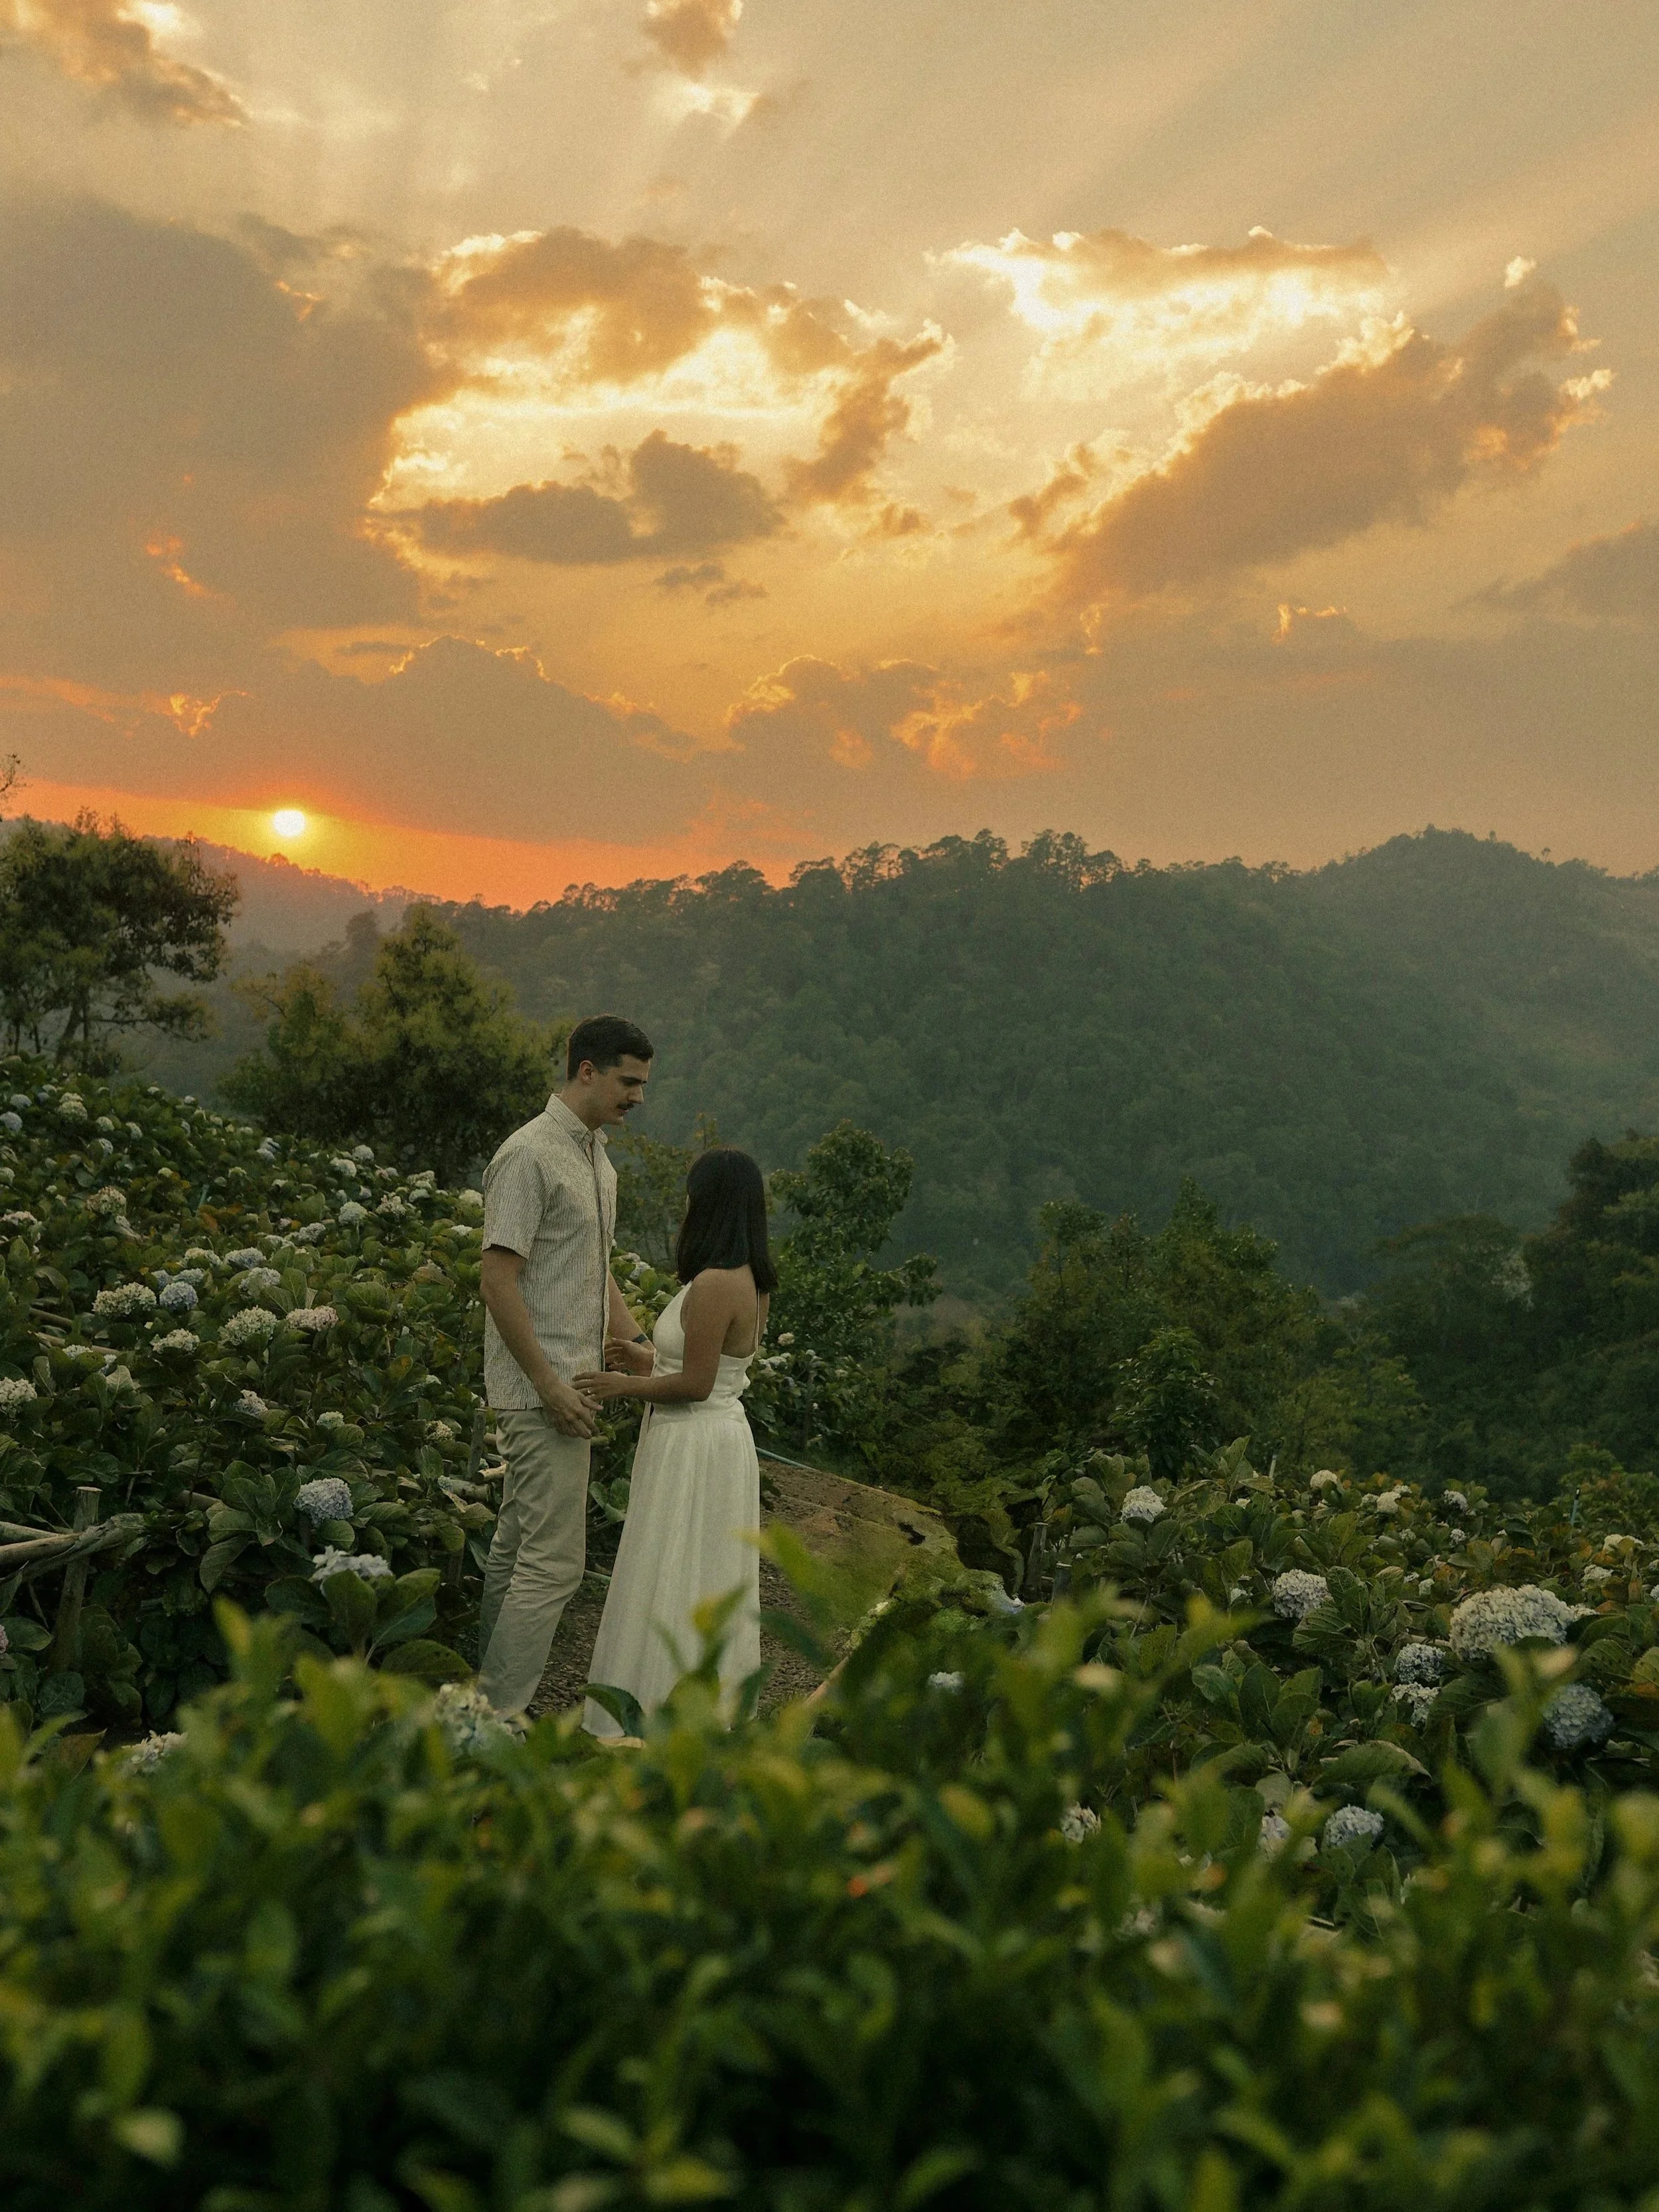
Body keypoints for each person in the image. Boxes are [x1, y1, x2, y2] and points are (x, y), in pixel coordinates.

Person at [476, 1013, 655, 1716]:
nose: (638, 1096)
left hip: (573, 1383)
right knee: (554, 1566)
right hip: (543, 1391)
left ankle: (478, 1705)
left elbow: (593, 1263)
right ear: (586, 1071)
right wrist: (548, 1385)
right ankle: (497, 1720)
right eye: (628, 1081)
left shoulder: (593, 1155)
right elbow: (496, 1279)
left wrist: (634, 1338)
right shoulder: (530, 1154)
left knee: (517, 1545)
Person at [576, 1147, 775, 1736]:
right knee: (695, 1565)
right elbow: (712, 1362)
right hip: (717, 1438)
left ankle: (656, 1709)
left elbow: (696, 1382)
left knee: (676, 1564)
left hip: (693, 1441)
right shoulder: (751, 1279)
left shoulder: (715, 1282)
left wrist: (623, 1384)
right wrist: (645, 1356)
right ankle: (691, 1709)